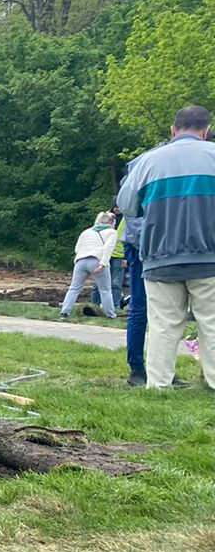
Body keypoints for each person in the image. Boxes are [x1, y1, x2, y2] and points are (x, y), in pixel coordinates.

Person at [117, 103, 215, 390]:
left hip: (160, 257)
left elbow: (127, 206)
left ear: (173, 130)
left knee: (163, 325)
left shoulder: (149, 161)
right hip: (210, 257)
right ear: (206, 131)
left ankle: (158, 385)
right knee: (211, 323)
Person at [119, 159, 148, 386]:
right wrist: (146, 246)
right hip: (141, 246)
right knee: (141, 305)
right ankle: (137, 368)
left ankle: (161, 368)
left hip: (162, 246)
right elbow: (131, 212)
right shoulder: (146, 165)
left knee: (168, 312)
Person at [59, 211, 119, 320]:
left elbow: (77, 248)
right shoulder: (112, 232)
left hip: (80, 261)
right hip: (96, 260)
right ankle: (111, 315)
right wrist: (103, 264)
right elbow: (108, 249)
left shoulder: (86, 232)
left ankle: (65, 311)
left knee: (74, 288)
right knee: (105, 290)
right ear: (111, 222)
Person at [92, 207, 126, 312]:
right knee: (98, 282)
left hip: (119, 256)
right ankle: (95, 305)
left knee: (116, 283)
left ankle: (115, 306)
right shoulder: (104, 217)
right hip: (103, 254)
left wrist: (126, 257)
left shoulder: (126, 218)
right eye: (115, 207)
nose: (117, 209)